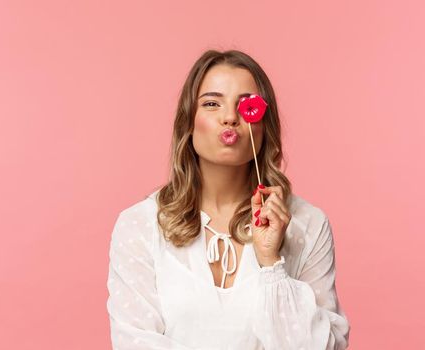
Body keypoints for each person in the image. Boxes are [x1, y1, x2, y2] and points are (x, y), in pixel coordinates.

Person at [106, 50, 350, 349]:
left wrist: (271, 263)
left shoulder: (307, 224)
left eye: (245, 105)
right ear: (189, 121)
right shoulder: (140, 224)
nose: (230, 117)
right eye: (211, 103)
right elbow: (135, 342)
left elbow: (325, 346)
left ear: (263, 125)